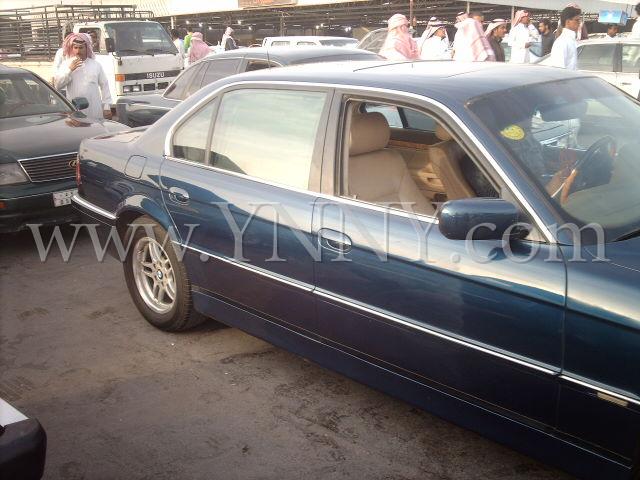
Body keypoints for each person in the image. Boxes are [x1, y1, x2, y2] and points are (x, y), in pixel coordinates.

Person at [53, 33, 112, 119]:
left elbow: (104, 85)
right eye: (75, 48)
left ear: (87, 48)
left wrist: (106, 106)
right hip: (75, 111)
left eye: (81, 48)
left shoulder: (95, 65)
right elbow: (58, 85)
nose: (78, 51)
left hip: (94, 110)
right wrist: (69, 70)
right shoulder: (66, 65)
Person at [550, 5, 581, 70]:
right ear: (568, 22)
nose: (579, 23)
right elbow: (558, 69)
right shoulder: (562, 42)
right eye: (577, 20)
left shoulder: (571, 40)